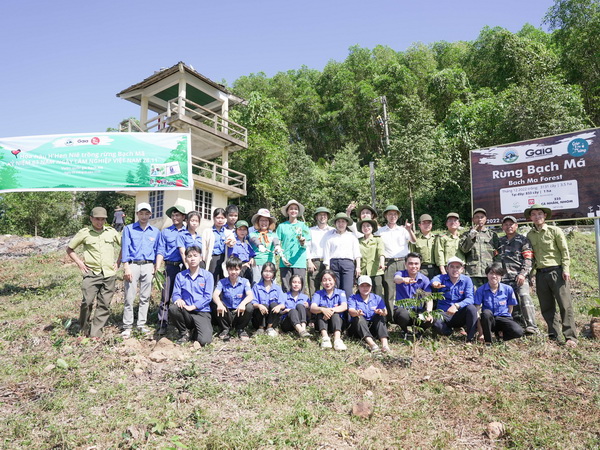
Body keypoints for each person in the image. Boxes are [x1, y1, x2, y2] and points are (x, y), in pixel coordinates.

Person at [525, 203, 578, 347]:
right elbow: (532, 257)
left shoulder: (555, 231)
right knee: (547, 307)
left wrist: (566, 269)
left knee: (564, 305)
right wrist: (530, 275)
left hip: (557, 271)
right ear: (531, 217)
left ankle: (570, 337)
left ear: (545, 216)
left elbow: (564, 251)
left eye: (540, 214)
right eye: (534, 214)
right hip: (541, 274)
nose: (537, 217)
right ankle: (553, 335)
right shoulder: (529, 235)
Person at [66, 207, 121, 338]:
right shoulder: (84, 233)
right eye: (97, 219)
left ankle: (95, 333)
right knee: (87, 302)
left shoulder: (111, 232)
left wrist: (119, 262)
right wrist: (80, 263)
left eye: (102, 219)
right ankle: (83, 328)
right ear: (91, 218)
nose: (100, 222)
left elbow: (125, 246)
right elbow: (70, 249)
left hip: (109, 274)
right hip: (92, 274)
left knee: (104, 305)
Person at [121, 202, 159, 338]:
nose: (144, 216)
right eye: (141, 213)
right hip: (133, 265)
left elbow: (157, 250)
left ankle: (141, 324)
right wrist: (125, 267)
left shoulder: (155, 232)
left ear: (150, 214)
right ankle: (127, 326)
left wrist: (156, 267)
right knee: (129, 297)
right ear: (137, 214)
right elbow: (125, 248)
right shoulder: (129, 229)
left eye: (146, 213)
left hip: (148, 265)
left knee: (145, 297)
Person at [496, 215, 539, 335]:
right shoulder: (500, 241)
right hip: (504, 278)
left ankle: (532, 326)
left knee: (524, 297)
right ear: (502, 227)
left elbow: (529, 259)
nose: (509, 226)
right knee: (511, 302)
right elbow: (496, 259)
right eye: (506, 224)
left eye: (511, 224)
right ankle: (518, 326)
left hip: (520, 276)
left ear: (516, 226)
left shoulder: (523, 240)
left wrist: (523, 274)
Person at [375, 205, 416, 321]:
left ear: (398, 216)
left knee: (407, 289)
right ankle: (391, 318)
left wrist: (409, 230)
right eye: (390, 214)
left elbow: (414, 240)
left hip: (403, 261)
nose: (392, 217)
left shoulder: (403, 230)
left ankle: (409, 317)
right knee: (389, 290)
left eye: (394, 214)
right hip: (389, 263)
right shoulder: (380, 231)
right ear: (386, 216)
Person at [169, 246, 214, 346]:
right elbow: (175, 294)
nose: (192, 259)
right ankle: (184, 333)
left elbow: (207, 297)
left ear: (201, 258)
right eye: (189, 256)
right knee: (173, 308)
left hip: (202, 312)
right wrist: (178, 299)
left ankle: (195, 331)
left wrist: (193, 307)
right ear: (185, 259)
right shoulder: (180, 276)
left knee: (204, 341)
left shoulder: (208, 276)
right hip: (185, 311)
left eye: (195, 256)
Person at [155, 204, 187, 335]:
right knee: (166, 296)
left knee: (184, 296)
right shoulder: (166, 232)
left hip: (185, 267)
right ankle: (162, 323)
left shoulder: (188, 232)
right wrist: (157, 267)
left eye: (177, 215)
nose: (175, 217)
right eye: (173, 215)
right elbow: (161, 250)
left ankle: (182, 323)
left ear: (183, 217)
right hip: (170, 266)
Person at [474, 263, 524, 345]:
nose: (494, 276)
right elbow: (477, 311)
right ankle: (488, 341)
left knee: (519, 331)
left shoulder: (508, 289)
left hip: (502, 318)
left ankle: (500, 338)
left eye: (497, 274)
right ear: (487, 275)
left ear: (501, 276)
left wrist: (506, 322)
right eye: (491, 273)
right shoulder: (481, 290)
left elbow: (510, 308)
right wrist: (481, 333)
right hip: (488, 321)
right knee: (486, 313)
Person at [430, 257, 478, 343]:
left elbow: (470, 299)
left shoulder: (466, 280)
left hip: (459, 314)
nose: (455, 269)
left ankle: (470, 338)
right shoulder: (442, 278)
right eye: (452, 267)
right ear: (447, 269)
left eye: (457, 267)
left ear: (462, 269)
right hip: (444, 313)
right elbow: (435, 280)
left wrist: (456, 305)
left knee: (472, 308)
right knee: (436, 323)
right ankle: (449, 332)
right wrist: (435, 283)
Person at [212, 256, 254, 342]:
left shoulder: (245, 281)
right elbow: (215, 295)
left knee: (249, 307)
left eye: (236, 269)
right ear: (227, 269)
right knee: (215, 304)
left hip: (239, 312)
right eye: (231, 269)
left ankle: (241, 329)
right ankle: (225, 329)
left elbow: (250, 295)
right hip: (226, 312)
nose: (233, 272)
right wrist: (219, 304)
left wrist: (242, 304)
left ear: (240, 270)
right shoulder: (222, 282)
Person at [393, 252, 433, 336]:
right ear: (405, 264)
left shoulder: (424, 279)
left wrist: (428, 312)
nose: (413, 266)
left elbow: (429, 298)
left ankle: (419, 333)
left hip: (417, 311)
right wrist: (403, 280)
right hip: (402, 310)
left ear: (420, 265)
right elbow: (396, 279)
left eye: (416, 263)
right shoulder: (400, 274)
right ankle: (405, 331)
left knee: (430, 318)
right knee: (403, 315)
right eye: (410, 263)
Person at [323, 212, 361, 300]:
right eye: (338, 222)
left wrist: (358, 267)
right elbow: (327, 255)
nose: (341, 224)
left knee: (347, 290)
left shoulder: (352, 236)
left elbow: (357, 253)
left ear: (346, 223)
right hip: (334, 265)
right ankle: (337, 312)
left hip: (348, 264)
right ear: (335, 223)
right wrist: (327, 270)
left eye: (343, 221)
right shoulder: (330, 237)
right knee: (335, 289)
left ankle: (348, 313)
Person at [348, 276, 390, 353]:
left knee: (380, 318)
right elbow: (351, 310)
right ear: (358, 287)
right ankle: (372, 345)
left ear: (371, 287)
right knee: (359, 318)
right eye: (362, 286)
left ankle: (385, 345)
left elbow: (385, 312)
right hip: (358, 329)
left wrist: (381, 311)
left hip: (373, 327)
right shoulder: (353, 298)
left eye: (367, 286)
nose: (365, 288)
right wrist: (357, 313)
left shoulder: (377, 298)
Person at [459, 208, 499, 288]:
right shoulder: (466, 234)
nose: (479, 219)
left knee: (489, 297)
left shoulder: (492, 235)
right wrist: (471, 236)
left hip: (489, 271)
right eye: (477, 217)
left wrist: (496, 270)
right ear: (473, 219)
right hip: (473, 272)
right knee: (474, 297)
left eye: (482, 217)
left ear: (486, 219)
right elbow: (464, 249)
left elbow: (498, 253)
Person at [277, 200, 311, 292]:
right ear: (287, 211)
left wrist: (303, 243)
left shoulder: (303, 225)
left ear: (298, 211)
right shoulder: (281, 226)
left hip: (299, 260)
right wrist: (282, 257)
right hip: (285, 261)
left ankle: (300, 305)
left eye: (296, 209)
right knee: (286, 287)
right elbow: (277, 243)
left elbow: (307, 243)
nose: (293, 211)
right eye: (291, 209)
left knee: (299, 287)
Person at [310, 270, 348, 351]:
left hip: (337, 322)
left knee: (335, 313)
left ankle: (337, 339)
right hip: (322, 323)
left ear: (334, 280)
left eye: (330, 280)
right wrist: (322, 309)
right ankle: (325, 338)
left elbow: (344, 306)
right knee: (321, 310)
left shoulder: (341, 292)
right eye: (324, 280)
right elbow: (312, 308)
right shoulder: (318, 294)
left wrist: (331, 310)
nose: (327, 282)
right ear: (321, 282)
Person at [251, 262, 286, 336]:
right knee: (263, 305)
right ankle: (260, 328)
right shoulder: (256, 287)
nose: (267, 274)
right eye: (265, 271)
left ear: (274, 274)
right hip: (259, 318)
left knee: (274, 304)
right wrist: (259, 305)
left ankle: (269, 328)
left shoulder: (277, 288)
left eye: (270, 271)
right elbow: (253, 303)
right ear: (262, 272)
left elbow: (283, 304)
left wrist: (279, 306)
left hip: (273, 318)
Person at [307, 207, 334, 297]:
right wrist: (309, 261)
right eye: (320, 215)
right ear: (316, 217)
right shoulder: (310, 230)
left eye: (325, 215)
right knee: (313, 288)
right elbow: (307, 246)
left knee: (329, 287)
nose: (323, 217)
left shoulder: (332, 230)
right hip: (315, 262)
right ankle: (315, 309)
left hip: (329, 262)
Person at [202, 208, 233, 284]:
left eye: (222, 218)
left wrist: (231, 243)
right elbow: (204, 247)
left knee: (223, 279)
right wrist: (204, 259)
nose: (220, 220)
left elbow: (232, 242)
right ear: (213, 218)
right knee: (212, 280)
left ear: (225, 219)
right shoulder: (207, 231)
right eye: (218, 218)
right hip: (212, 258)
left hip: (224, 258)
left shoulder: (228, 232)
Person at [357, 218, 385, 297]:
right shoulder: (358, 241)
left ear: (372, 227)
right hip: (363, 270)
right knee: (362, 293)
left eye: (368, 226)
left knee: (377, 292)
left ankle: (380, 309)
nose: (366, 228)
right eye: (364, 226)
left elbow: (381, 252)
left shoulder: (377, 239)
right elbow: (357, 255)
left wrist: (382, 263)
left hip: (375, 270)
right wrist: (357, 267)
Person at [410, 214, 439, 280]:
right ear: (419, 225)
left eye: (429, 223)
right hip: (421, 269)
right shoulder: (415, 239)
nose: (427, 225)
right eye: (424, 223)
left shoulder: (436, 238)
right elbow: (412, 255)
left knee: (435, 289)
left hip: (435, 269)